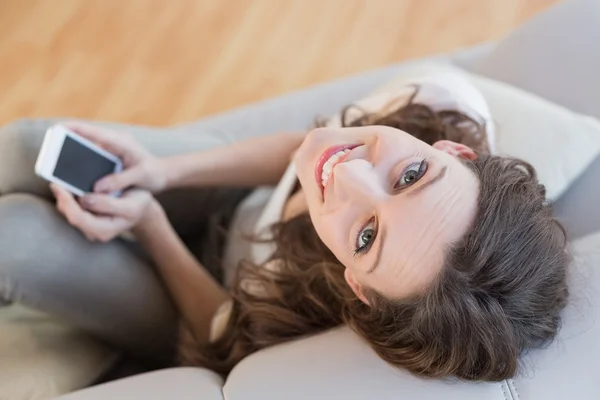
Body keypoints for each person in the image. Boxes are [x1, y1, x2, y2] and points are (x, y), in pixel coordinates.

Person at [21, 71, 570, 382]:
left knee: (13, 235)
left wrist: (149, 222)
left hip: (206, 300)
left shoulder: (312, 328)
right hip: (245, 199)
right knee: (24, 146)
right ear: (456, 151)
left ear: (359, 287)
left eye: (366, 237)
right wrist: (163, 171)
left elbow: (220, 330)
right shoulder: (440, 104)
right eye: (410, 175)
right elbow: (312, 152)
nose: (349, 174)